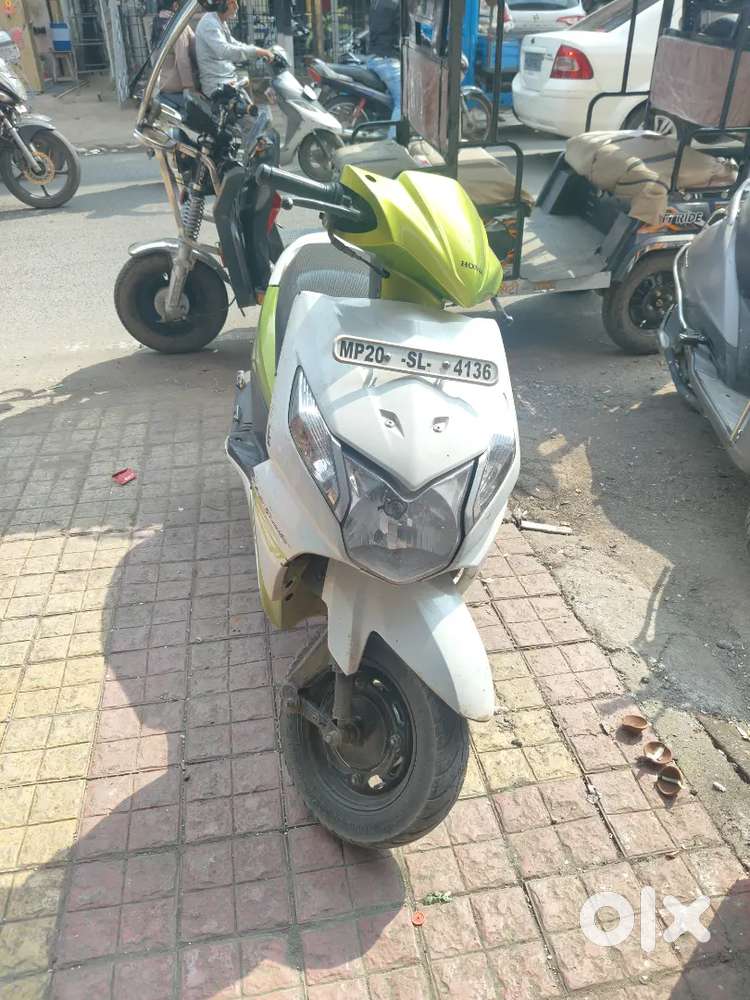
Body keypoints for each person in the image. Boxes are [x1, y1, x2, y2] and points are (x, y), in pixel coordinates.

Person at [195, 0, 273, 100]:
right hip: (216, 83)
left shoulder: (219, 21)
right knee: (245, 108)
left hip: (226, 77)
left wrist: (259, 51)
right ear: (221, 5)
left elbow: (234, 44)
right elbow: (225, 51)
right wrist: (257, 52)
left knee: (246, 82)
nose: (237, 7)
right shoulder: (210, 24)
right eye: (232, 2)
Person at [367, 0, 401, 137]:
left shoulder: (376, 3)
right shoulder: (397, 4)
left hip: (374, 58)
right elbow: (409, 32)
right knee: (404, 102)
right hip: (387, 61)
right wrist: (430, 43)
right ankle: (392, 143)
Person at [157, 0, 197, 110]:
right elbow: (182, 59)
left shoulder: (158, 23)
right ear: (175, 5)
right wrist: (188, 86)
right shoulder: (177, 26)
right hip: (178, 88)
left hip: (165, 84)